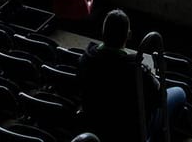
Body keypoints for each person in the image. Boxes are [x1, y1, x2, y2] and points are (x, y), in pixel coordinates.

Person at [76, 9, 186, 142]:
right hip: (130, 132)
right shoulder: (136, 70)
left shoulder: (85, 60)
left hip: (96, 126)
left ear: (103, 31)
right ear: (128, 35)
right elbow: (159, 99)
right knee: (179, 93)